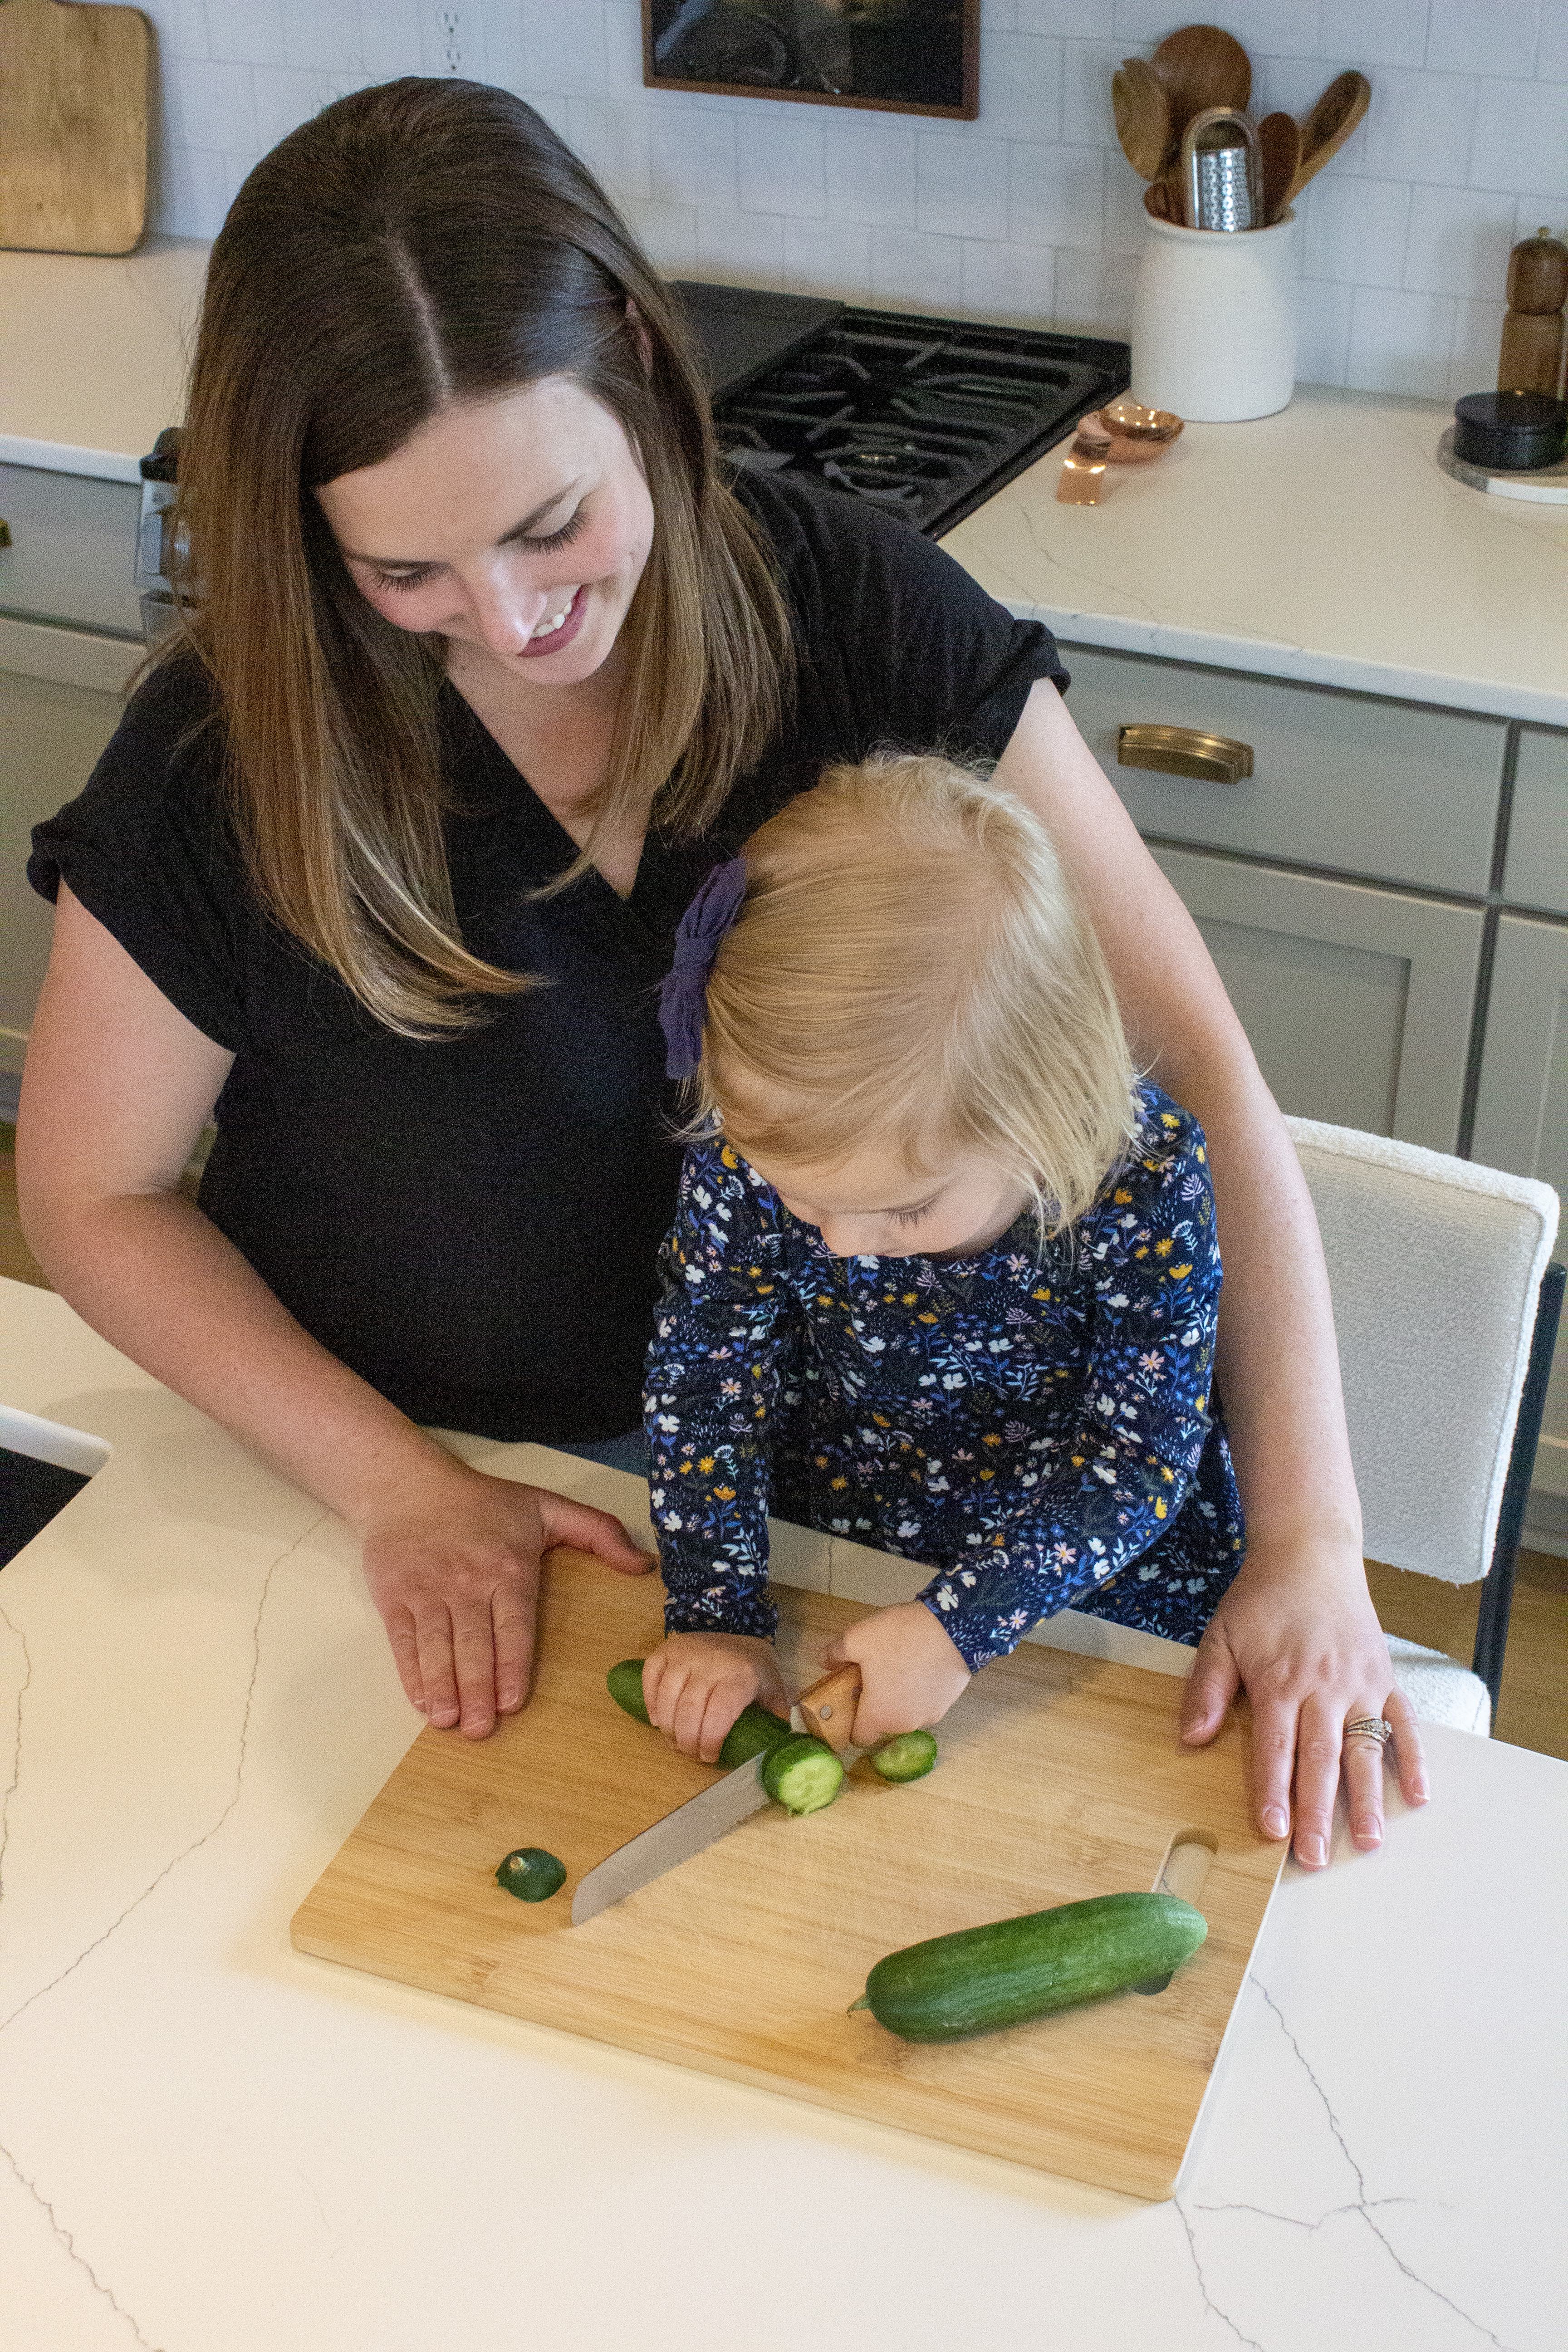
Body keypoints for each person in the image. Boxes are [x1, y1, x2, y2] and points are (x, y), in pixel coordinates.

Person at [15, 78, 1423, 1868]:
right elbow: (91, 1194)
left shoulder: (863, 617)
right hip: (390, 1506)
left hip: (813, 1533)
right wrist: (396, 1487)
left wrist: (1306, 1544)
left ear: (636, 362)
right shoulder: (227, 755)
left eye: (548, 526)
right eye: (405, 572)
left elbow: (1195, 1080)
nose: (517, 625)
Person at [639, 754, 1248, 1754]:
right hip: (846, 1542)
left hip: (1095, 1587)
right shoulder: (756, 1137)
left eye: (906, 1211)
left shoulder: (1147, 1180)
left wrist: (961, 1624)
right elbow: (708, 1373)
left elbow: (1136, 1461)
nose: (839, 1243)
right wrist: (717, 1610)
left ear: (1047, 1119)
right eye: (802, 1197)